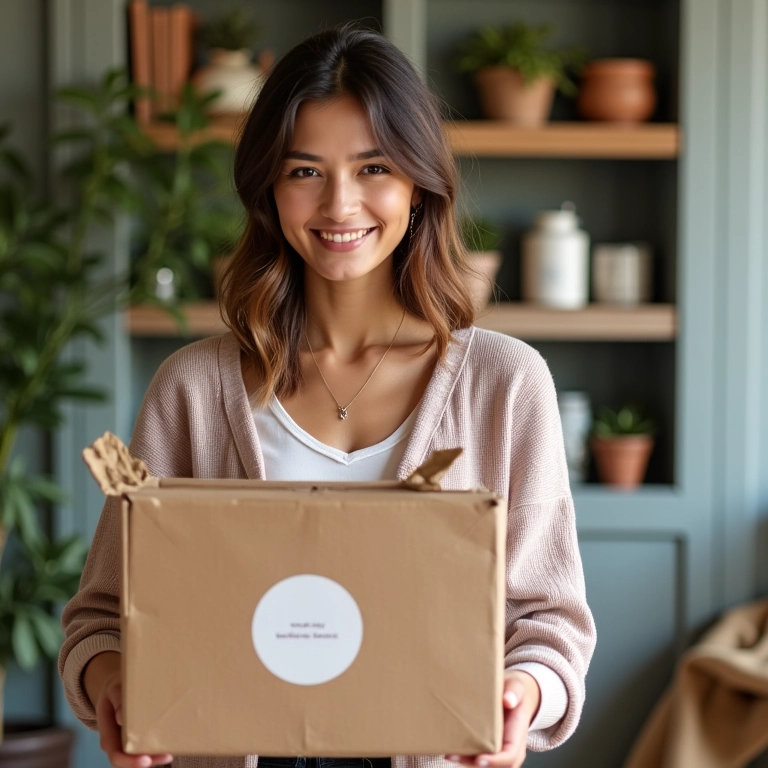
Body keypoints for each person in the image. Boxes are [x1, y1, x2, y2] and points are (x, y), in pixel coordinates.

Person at [59, 23, 596, 768]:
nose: (340, 205)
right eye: (305, 171)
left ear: (418, 183)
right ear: (269, 191)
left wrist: (522, 693)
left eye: (374, 167)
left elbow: (550, 622)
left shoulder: (505, 384)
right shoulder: (192, 388)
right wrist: (116, 682)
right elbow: (102, 619)